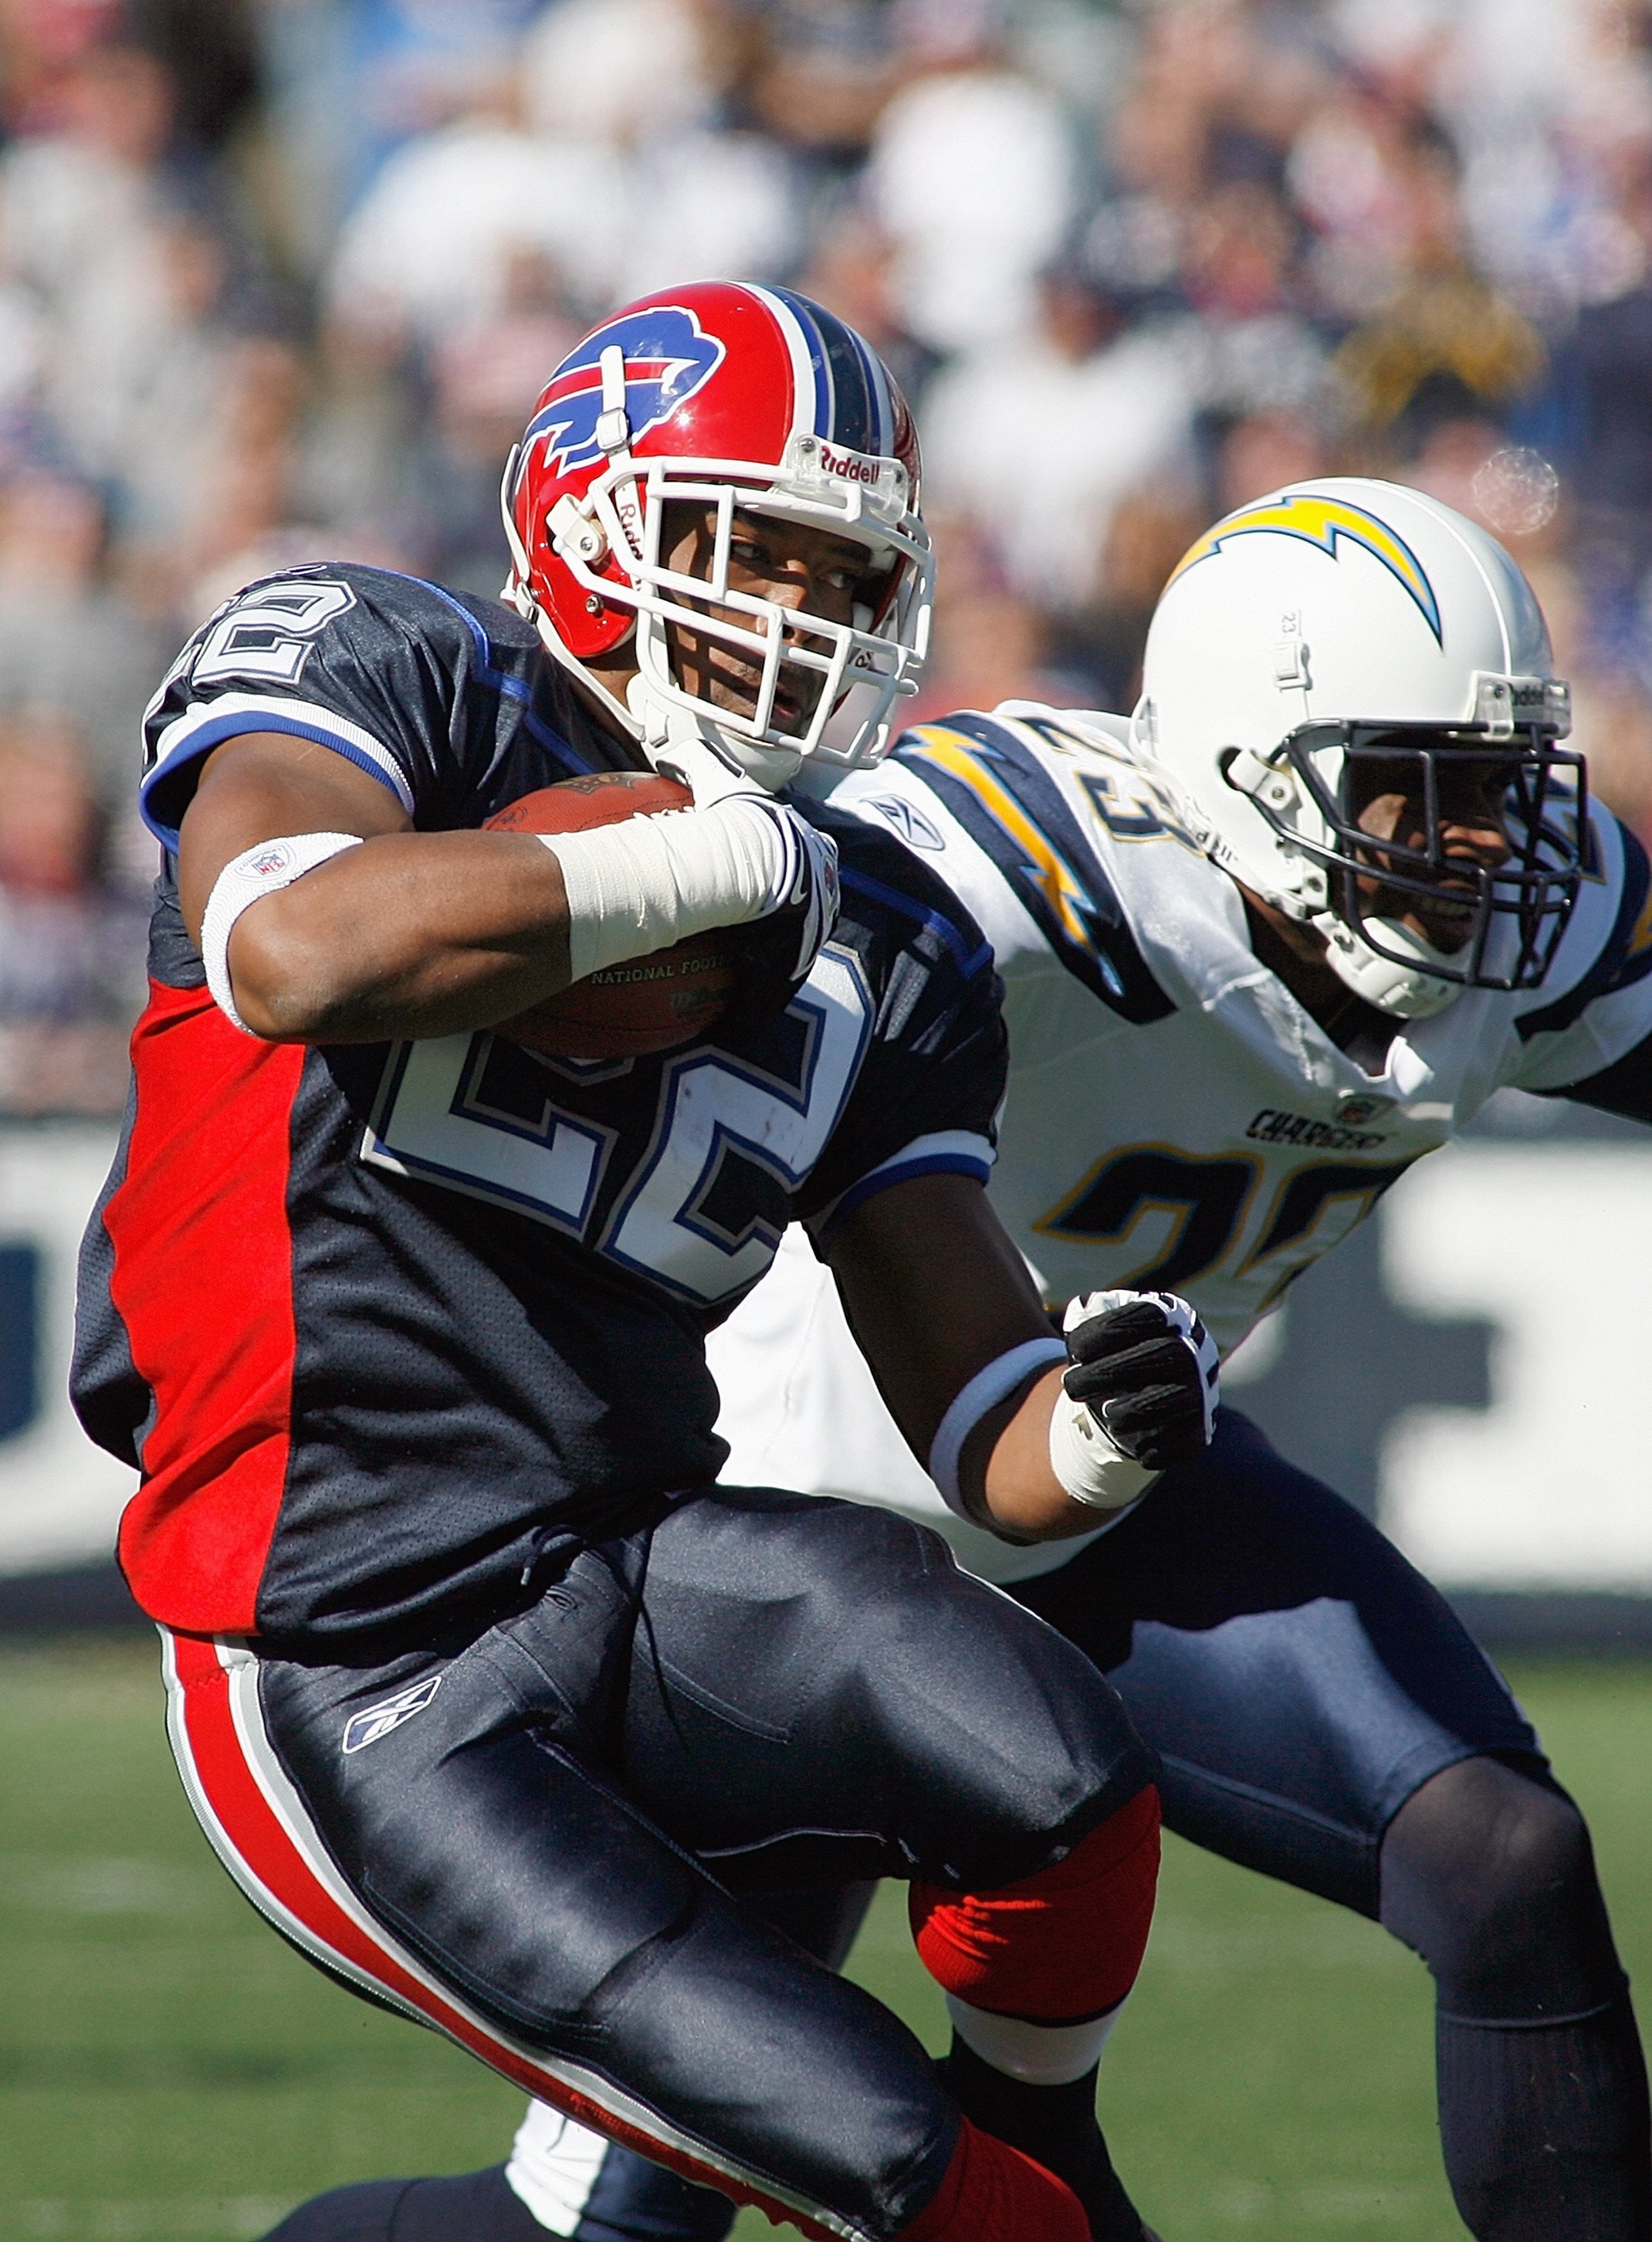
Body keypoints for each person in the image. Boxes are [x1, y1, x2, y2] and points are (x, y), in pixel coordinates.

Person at [283, 477, 1652, 2242]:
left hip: (1117, 1473)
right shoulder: (999, 860)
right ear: (1242, 766)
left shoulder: (1534, 922)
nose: (1474, 848)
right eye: (1410, 786)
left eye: (1492, 788)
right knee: (617, 2234)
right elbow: (676, 929)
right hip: (811, 1533)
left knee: (1505, 1860)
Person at [72, 282, 1226, 2242]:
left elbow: (982, 1426)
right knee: (902, 2180)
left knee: (1066, 1788)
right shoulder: (395, 672)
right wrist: (682, 868)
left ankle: (1059, 2152)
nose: (810, 616)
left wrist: (1100, 1424)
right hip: (343, 1654)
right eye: (757, 548)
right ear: (595, 523)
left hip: (627, 1551)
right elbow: (287, 948)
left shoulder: (887, 931)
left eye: (846, 571)